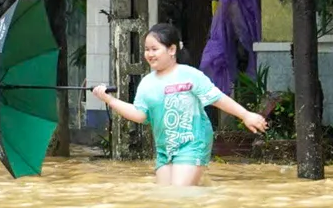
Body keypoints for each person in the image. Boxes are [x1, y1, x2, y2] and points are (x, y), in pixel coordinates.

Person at [92, 22, 267, 187]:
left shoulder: (191, 75)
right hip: (164, 148)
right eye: (146, 50)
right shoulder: (146, 83)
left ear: (172, 49)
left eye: (154, 49)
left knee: (179, 192)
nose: (149, 54)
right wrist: (110, 100)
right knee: (166, 196)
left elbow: (217, 98)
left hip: (192, 143)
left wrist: (245, 115)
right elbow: (140, 115)